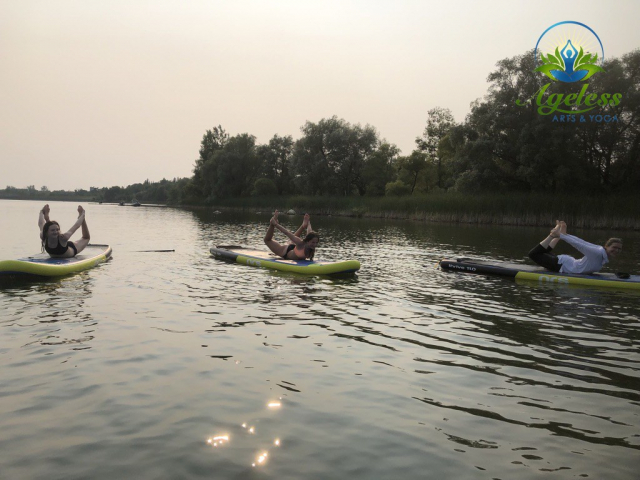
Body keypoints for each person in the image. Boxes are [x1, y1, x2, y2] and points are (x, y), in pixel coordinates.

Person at [528, 220, 622, 274]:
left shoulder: (600, 251)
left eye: (619, 249)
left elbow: (582, 242)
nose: (617, 250)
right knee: (533, 254)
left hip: (566, 262)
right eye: (614, 247)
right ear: (607, 246)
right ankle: (553, 235)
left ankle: (558, 232)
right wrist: (562, 236)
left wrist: (565, 235)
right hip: (560, 266)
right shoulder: (597, 253)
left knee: (543, 253)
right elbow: (579, 245)